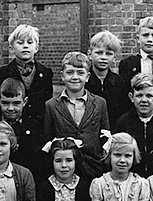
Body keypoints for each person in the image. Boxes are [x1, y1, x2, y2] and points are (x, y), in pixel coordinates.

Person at [43, 51, 109, 181]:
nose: (75, 77)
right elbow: (48, 140)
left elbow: (105, 138)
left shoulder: (100, 103)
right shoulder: (51, 106)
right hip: (64, 171)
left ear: (88, 76)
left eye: (80, 73)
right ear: (62, 76)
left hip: (93, 170)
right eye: (70, 72)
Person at [114, 73, 153, 178]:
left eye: (149, 96)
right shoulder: (124, 122)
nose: (144, 100)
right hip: (131, 177)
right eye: (139, 95)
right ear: (131, 97)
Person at [0, 24, 52, 122]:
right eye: (20, 43)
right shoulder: (3, 73)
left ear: (36, 48)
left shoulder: (45, 73)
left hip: (36, 127)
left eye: (29, 42)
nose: (25, 46)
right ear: (12, 48)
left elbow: (47, 102)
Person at [0, 77, 46, 180]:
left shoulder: (35, 128)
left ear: (25, 102)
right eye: (5, 103)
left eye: (16, 103)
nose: (10, 108)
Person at [86, 30, 131, 125]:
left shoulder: (120, 83)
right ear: (90, 54)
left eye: (108, 54)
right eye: (99, 53)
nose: (103, 57)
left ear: (114, 57)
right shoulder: (83, 82)